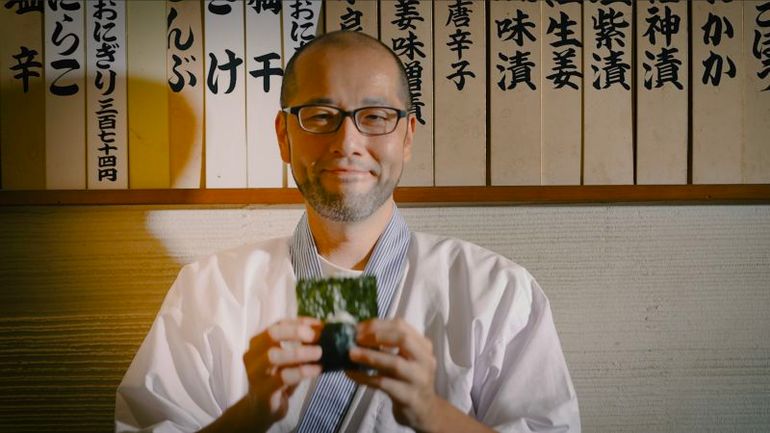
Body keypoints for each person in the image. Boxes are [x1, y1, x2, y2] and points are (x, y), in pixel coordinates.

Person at [115, 30, 579, 433]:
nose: (347, 142)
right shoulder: (210, 290)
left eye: (375, 116)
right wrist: (251, 414)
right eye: (320, 115)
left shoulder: (495, 290)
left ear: (408, 136)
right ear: (283, 135)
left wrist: (431, 411)